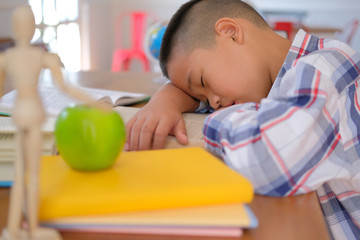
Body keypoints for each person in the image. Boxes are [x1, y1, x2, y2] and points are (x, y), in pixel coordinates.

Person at [126, 0, 360, 239]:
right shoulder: (271, 87)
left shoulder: (326, 66)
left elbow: (271, 160)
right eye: (202, 98)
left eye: (203, 83)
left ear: (230, 32)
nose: (213, 103)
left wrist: (216, 117)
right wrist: (167, 99)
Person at [0, 5, 107, 240]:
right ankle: (34, 228)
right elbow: (66, 88)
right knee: (34, 175)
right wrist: (94, 102)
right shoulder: (41, 56)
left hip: (19, 114)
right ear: (32, 28)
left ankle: (14, 229)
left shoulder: (6, 58)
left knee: (19, 174)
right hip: (35, 113)